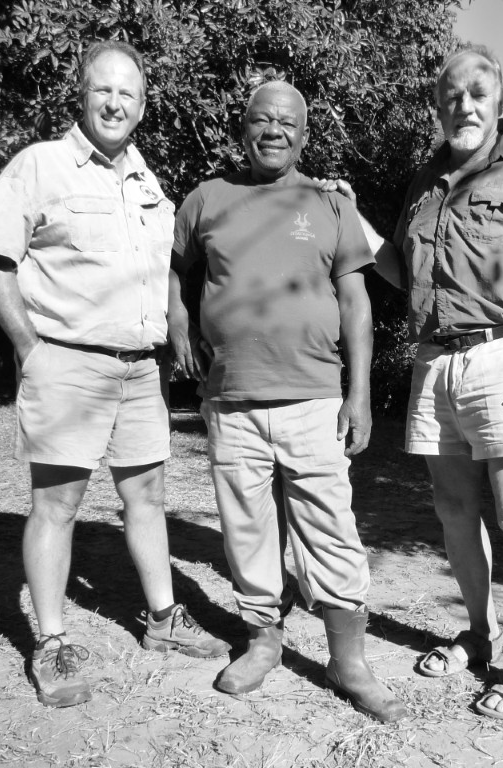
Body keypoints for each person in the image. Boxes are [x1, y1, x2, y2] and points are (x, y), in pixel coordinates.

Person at [329, 44, 503, 719]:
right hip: (434, 361)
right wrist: (355, 217)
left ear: (499, 100)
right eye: (451, 96)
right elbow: (398, 268)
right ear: (437, 106)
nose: (464, 106)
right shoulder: (424, 182)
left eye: (477, 93)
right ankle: (479, 635)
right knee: (453, 510)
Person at [0, 40, 229, 709]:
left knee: (147, 498)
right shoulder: (40, 165)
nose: (114, 103)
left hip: (141, 371)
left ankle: (164, 619)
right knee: (57, 506)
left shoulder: (148, 184)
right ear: (81, 95)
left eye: (127, 94)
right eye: (103, 90)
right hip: (67, 362)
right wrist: (30, 348)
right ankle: (52, 641)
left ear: (142, 106)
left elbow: (165, 274)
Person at [167, 80, 408, 723]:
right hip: (231, 398)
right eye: (261, 119)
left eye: (287, 122)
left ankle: (348, 662)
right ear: (242, 127)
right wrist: (178, 322)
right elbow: (173, 267)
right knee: (247, 528)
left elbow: (356, 302)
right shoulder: (206, 198)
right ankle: (263, 642)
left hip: (315, 398)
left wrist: (360, 394)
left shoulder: (329, 204)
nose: (273, 130)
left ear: (303, 135)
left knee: (331, 529)